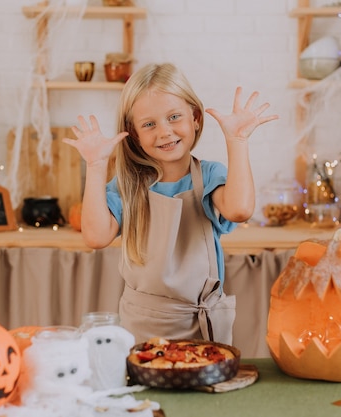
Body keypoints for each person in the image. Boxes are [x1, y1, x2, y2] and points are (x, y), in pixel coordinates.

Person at [63, 63, 278, 345]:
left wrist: (236, 140)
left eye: (174, 117)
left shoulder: (210, 176)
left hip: (202, 331)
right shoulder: (128, 184)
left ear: (196, 118)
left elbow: (240, 209)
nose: (164, 132)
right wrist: (96, 164)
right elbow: (95, 236)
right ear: (134, 134)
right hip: (141, 329)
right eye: (149, 124)